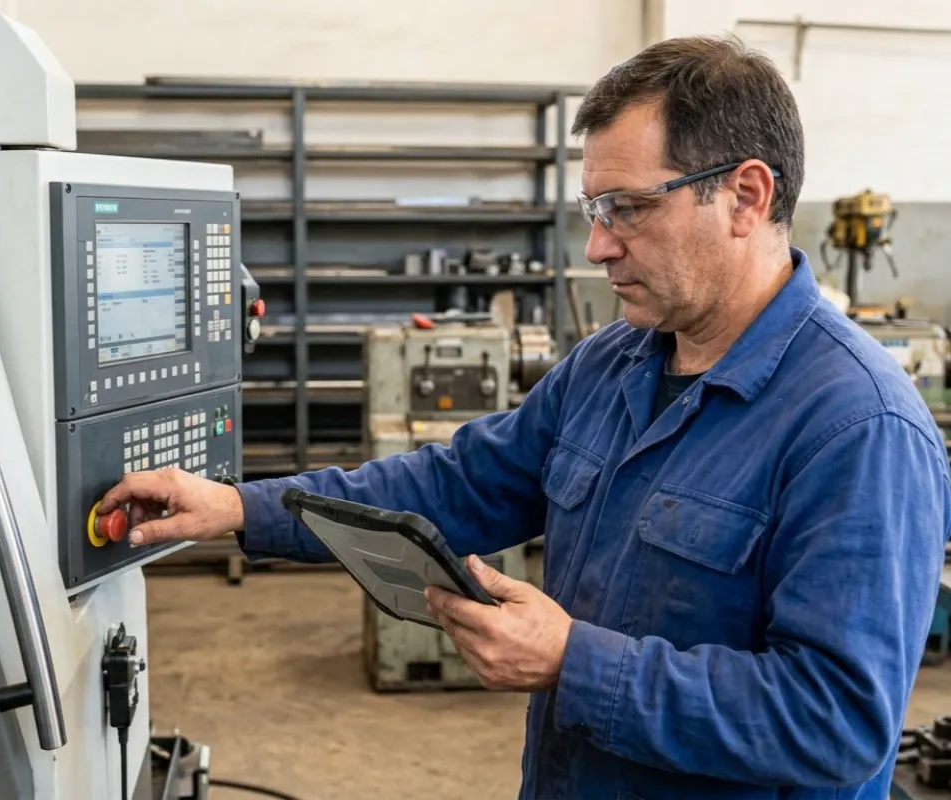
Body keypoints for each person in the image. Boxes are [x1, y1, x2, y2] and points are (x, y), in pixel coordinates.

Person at [100, 35, 951, 800]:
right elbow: (456, 483)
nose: (598, 246)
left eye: (630, 208)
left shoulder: (859, 428)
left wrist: (573, 661)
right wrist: (240, 508)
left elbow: (836, 722)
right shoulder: (612, 364)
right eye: (595, 210)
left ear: (745, 196)